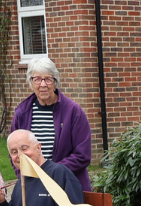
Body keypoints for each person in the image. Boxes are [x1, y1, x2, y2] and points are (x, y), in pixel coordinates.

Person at [10, 57, 93, 192]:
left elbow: (82, 155)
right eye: (37, 79)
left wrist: (50, 172)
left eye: (48, 79)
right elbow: (13, 151)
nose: (43, 84)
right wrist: (25, 175)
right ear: (31, 82)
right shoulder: (22, 112)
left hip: (67, 185)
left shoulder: (73, 111)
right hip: (33, 185)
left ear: (55, 82)